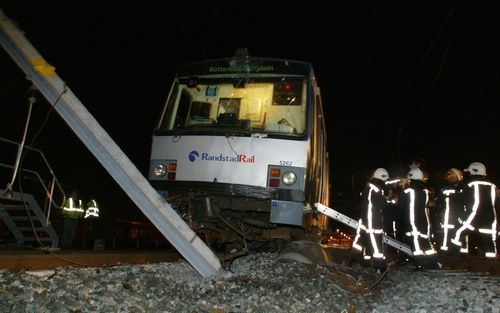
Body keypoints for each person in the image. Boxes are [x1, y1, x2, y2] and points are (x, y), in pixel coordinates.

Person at [451, 162, 497, 258]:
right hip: (490, 217)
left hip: (474, 217)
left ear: (473, 172)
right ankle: (491, 262)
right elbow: (496, 201)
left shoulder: (470, 184)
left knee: (458, 233)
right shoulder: (492, 185)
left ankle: (453, 256)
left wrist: (461, 216)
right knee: (488, 239)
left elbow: (462, 201)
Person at [349, 168, 391, 273]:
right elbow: (383, 205)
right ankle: (380, 266)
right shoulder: (377, 189)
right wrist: (391, 201)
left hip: (364, 219)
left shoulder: (368, 187)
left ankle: (352, 259)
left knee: (360, 240)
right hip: (373, 221)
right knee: (376, 243)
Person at [398, 168, 439, 270]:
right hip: (423, 221)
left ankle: (420, 264)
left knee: (415, 243)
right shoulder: (425, 191)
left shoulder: (407, 191)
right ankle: (434, 264)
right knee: (425, 243)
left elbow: (400, 206)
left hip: (412, 222)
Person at [435, 168, 464, 254]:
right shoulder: (444, 188)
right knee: (446, 236)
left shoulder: (463, 188)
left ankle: (460, 254)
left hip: (460, 217)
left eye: (452, 174)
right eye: (448, 175)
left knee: (459, 236)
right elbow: (439, 202)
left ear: (457, 175)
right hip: (447, 218)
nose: (449, 176)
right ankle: (446, 254)